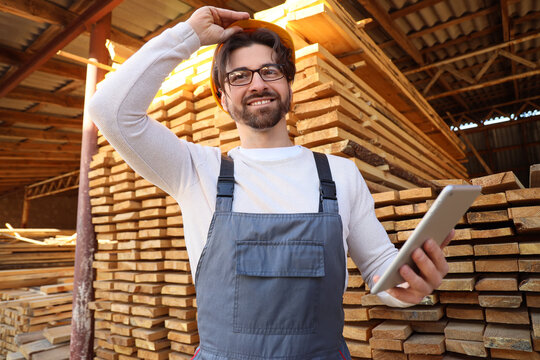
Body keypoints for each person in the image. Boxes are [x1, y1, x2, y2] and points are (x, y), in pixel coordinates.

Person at [89, 6, 451, 359]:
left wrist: (407, 283)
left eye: (269, 71)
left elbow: (378, 269)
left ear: (289, 83)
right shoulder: (195, 170)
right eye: (239, 76)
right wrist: (189, 35)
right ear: (223, 96)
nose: (258, 83)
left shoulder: (340, 175)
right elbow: (109, 109)